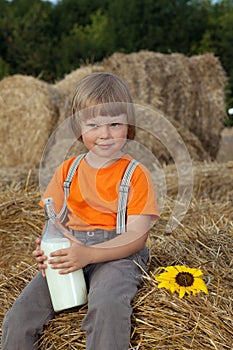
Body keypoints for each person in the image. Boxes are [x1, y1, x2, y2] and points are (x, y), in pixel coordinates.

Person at [2, 72, 159, 350]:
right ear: (79, 127)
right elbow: (54, 223)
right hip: (71, 251)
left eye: (114, 123)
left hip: (117, 255)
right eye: (94, 124)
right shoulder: (67, 171)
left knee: (107, 307)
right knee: (18, 318)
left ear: (129, 125)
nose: (105, 134)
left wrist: (91, 254)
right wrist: (45, 249)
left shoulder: (135, 174)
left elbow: (136, 235)